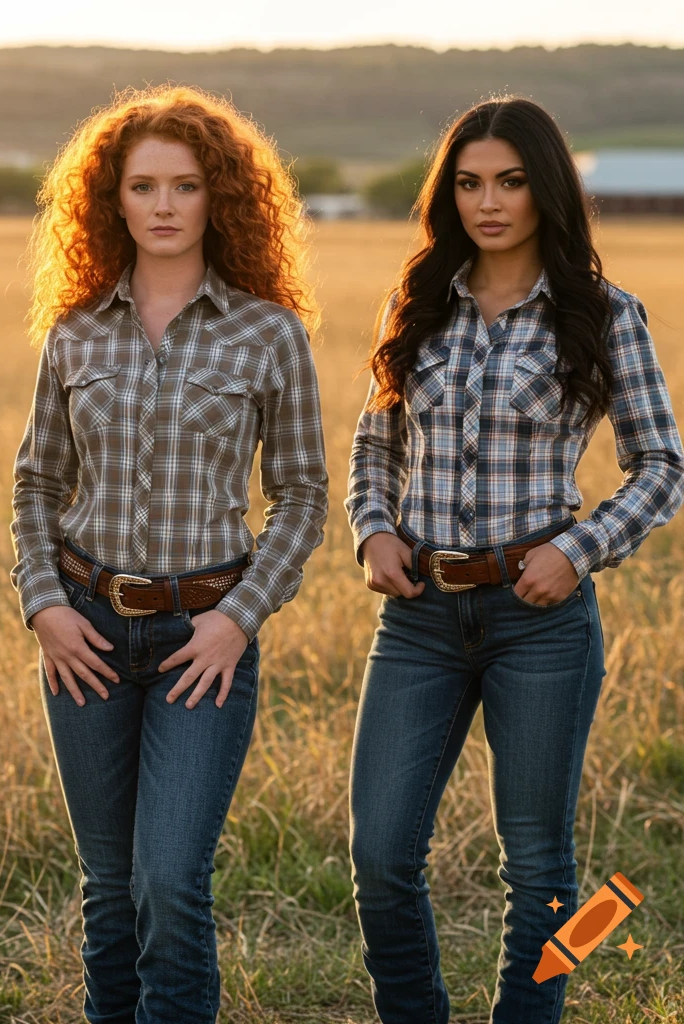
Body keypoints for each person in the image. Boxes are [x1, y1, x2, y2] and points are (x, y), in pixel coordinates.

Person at [345, 96, 684, 1023]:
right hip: (417, 616)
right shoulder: (415, 304)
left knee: (537, 865)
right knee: (380, 854)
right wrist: (373, 527)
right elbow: (376, 446)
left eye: (510, 181)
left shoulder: (604, 313)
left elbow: (662, 467)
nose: (487, 202)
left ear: (547, 191)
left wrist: (577, 553)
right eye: (467, 183)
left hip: (540, 621)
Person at [11, 85, 328, 1023]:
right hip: (88, 635)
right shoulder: (75, 333)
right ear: (111, 200)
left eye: (184, 186)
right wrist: (45, 606)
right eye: (142, 185)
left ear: (216, 198)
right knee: (108, 890)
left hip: (206, 642)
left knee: (169, 883)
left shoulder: (268, 333)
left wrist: (239, 618)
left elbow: (305, 493)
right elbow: (35, 483)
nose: (161, 205)